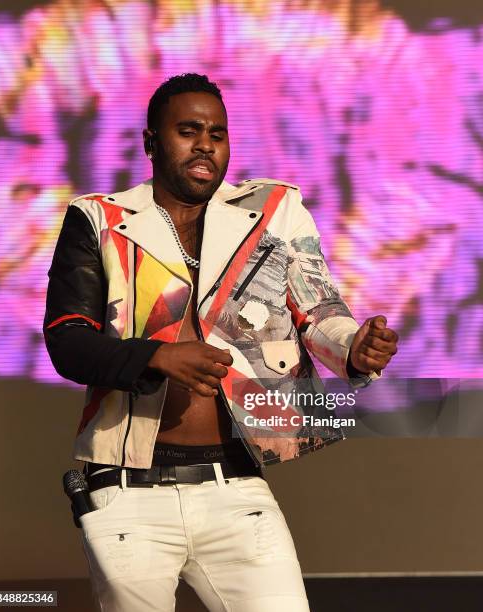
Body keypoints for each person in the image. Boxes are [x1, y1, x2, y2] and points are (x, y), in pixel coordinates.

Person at [44, 73, 398, 612]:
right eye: (188, 130)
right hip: (125, 493)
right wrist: (158, 356)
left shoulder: (271, 210)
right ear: (150, 142)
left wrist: (353, 348)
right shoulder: (99, 219)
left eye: (218, 132)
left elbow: (317, 308)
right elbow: (68, 342)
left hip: (235, 486)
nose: (206, 143)